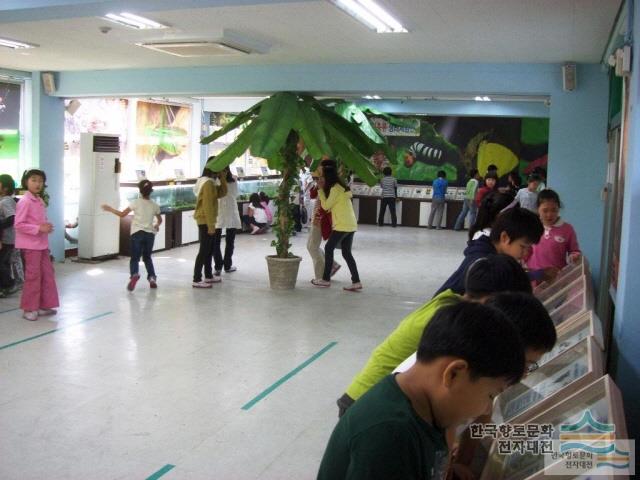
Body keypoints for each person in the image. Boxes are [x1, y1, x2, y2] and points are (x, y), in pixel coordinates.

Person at [319, 301, 526, 480]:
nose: (485, 409)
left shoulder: (429, 411)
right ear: (453, 373)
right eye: (490, 395)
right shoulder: (389, 433)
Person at [336, 254, 532, 416]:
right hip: (366, 403)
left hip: (374, 399)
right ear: (490, 300)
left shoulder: (452, 301)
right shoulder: (452, 323)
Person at [449, 292, 557, 479]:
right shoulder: (454, 388)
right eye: (526, 364)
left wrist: (460, 463)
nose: (524, 374)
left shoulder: (484, 382)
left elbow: (482, 416)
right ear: (503, 346)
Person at [434, 207, 544, 297]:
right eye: (523, 247)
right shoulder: (485, 262)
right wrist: (539, 274)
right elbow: (503, 281)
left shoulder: (488, 253)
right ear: (504, 237)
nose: (526, 253)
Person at [15, 169, 59, 321]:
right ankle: (29, 308)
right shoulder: (25, 201)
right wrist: (39, 228)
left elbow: (38, 221)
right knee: (33, 277)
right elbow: (19, 224)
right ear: (26, 182)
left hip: (41, 245)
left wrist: (45, 226)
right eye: (33, 180)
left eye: (40, 181)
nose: (37, 183)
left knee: (47, 274)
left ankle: (42, 305)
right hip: (30, 246)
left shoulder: (39, 200)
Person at [102, 180, 162, 291]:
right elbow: (159, 220)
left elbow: (122, 214)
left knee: (135, 258)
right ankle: (152, 278)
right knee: (147, 258)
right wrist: (157, 225)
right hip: (150, 235)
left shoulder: (135, 202)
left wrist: (109, 209)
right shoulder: (154, 205)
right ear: (151, 191)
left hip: (137, 234)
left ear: (140, 190)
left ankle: (134, 274)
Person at [312, 164, 361, 291]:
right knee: (346, 253)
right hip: (351, 224)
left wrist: (320, 190)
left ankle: (325, 279)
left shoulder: (335, 188)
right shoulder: (342, 187)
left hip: (342, 225)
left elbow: (326, 206)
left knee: (328, 248)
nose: (321, 179)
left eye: (323, 176)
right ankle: (356, 281)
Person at [526, 189, 581, 272]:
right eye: (545, 210)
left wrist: (574, 256)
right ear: (538, 209)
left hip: (556, 277)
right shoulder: (532, 227)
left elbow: (574, 251)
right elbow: (525, 251)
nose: (549, 214)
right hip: (535, 276)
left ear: (558, 209)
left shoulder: (567, 229)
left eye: (554, 210)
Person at [192, 164, 227, 288]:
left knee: (209, 249)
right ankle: (196, 279)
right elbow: (207, 205)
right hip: (205, 220)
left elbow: (222, 193)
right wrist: (211, 225)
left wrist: (222, 177)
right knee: (204, 250)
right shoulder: (208, 183)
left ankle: (208, 275)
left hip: (205, 220)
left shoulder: (208, 182)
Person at [307, 161, 340, 281]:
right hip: (317, 216)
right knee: (310, 246)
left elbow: (326, 204)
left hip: (320, 219)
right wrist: (318, 182)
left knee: (313, 247)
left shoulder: (332, 184)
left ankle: (321, 276)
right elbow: (312, 194)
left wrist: (320, 183)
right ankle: (331, 265)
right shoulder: (324, 181)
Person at [213, 167, 241, 275]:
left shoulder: (215, 181)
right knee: (230, 241)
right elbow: (235, 194)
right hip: (231, 212)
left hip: (219, 212)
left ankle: (218, 267)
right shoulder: (233, 181)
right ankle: (227, 265)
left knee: (216, 242)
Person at [0, 174, 17, 297]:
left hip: (7, 239)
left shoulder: (6, 201)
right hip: (5, 238)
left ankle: (9, 284)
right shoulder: (3, 200)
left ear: (5, 188)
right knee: (4, 263)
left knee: (2, 263)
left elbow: (12, 218)